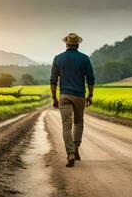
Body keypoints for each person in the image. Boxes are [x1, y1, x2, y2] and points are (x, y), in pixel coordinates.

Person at [50, 33, 95, 167]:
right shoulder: (85, 59)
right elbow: (90, 78)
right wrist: (90, 95)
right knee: (79, 121)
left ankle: (70, 153)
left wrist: (54, 97)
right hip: (79, 96)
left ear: (66, 44)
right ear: (78, 44)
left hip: (64, 96)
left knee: (66, 125)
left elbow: (53, 80)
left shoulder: (58, 59)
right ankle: (76, 147)